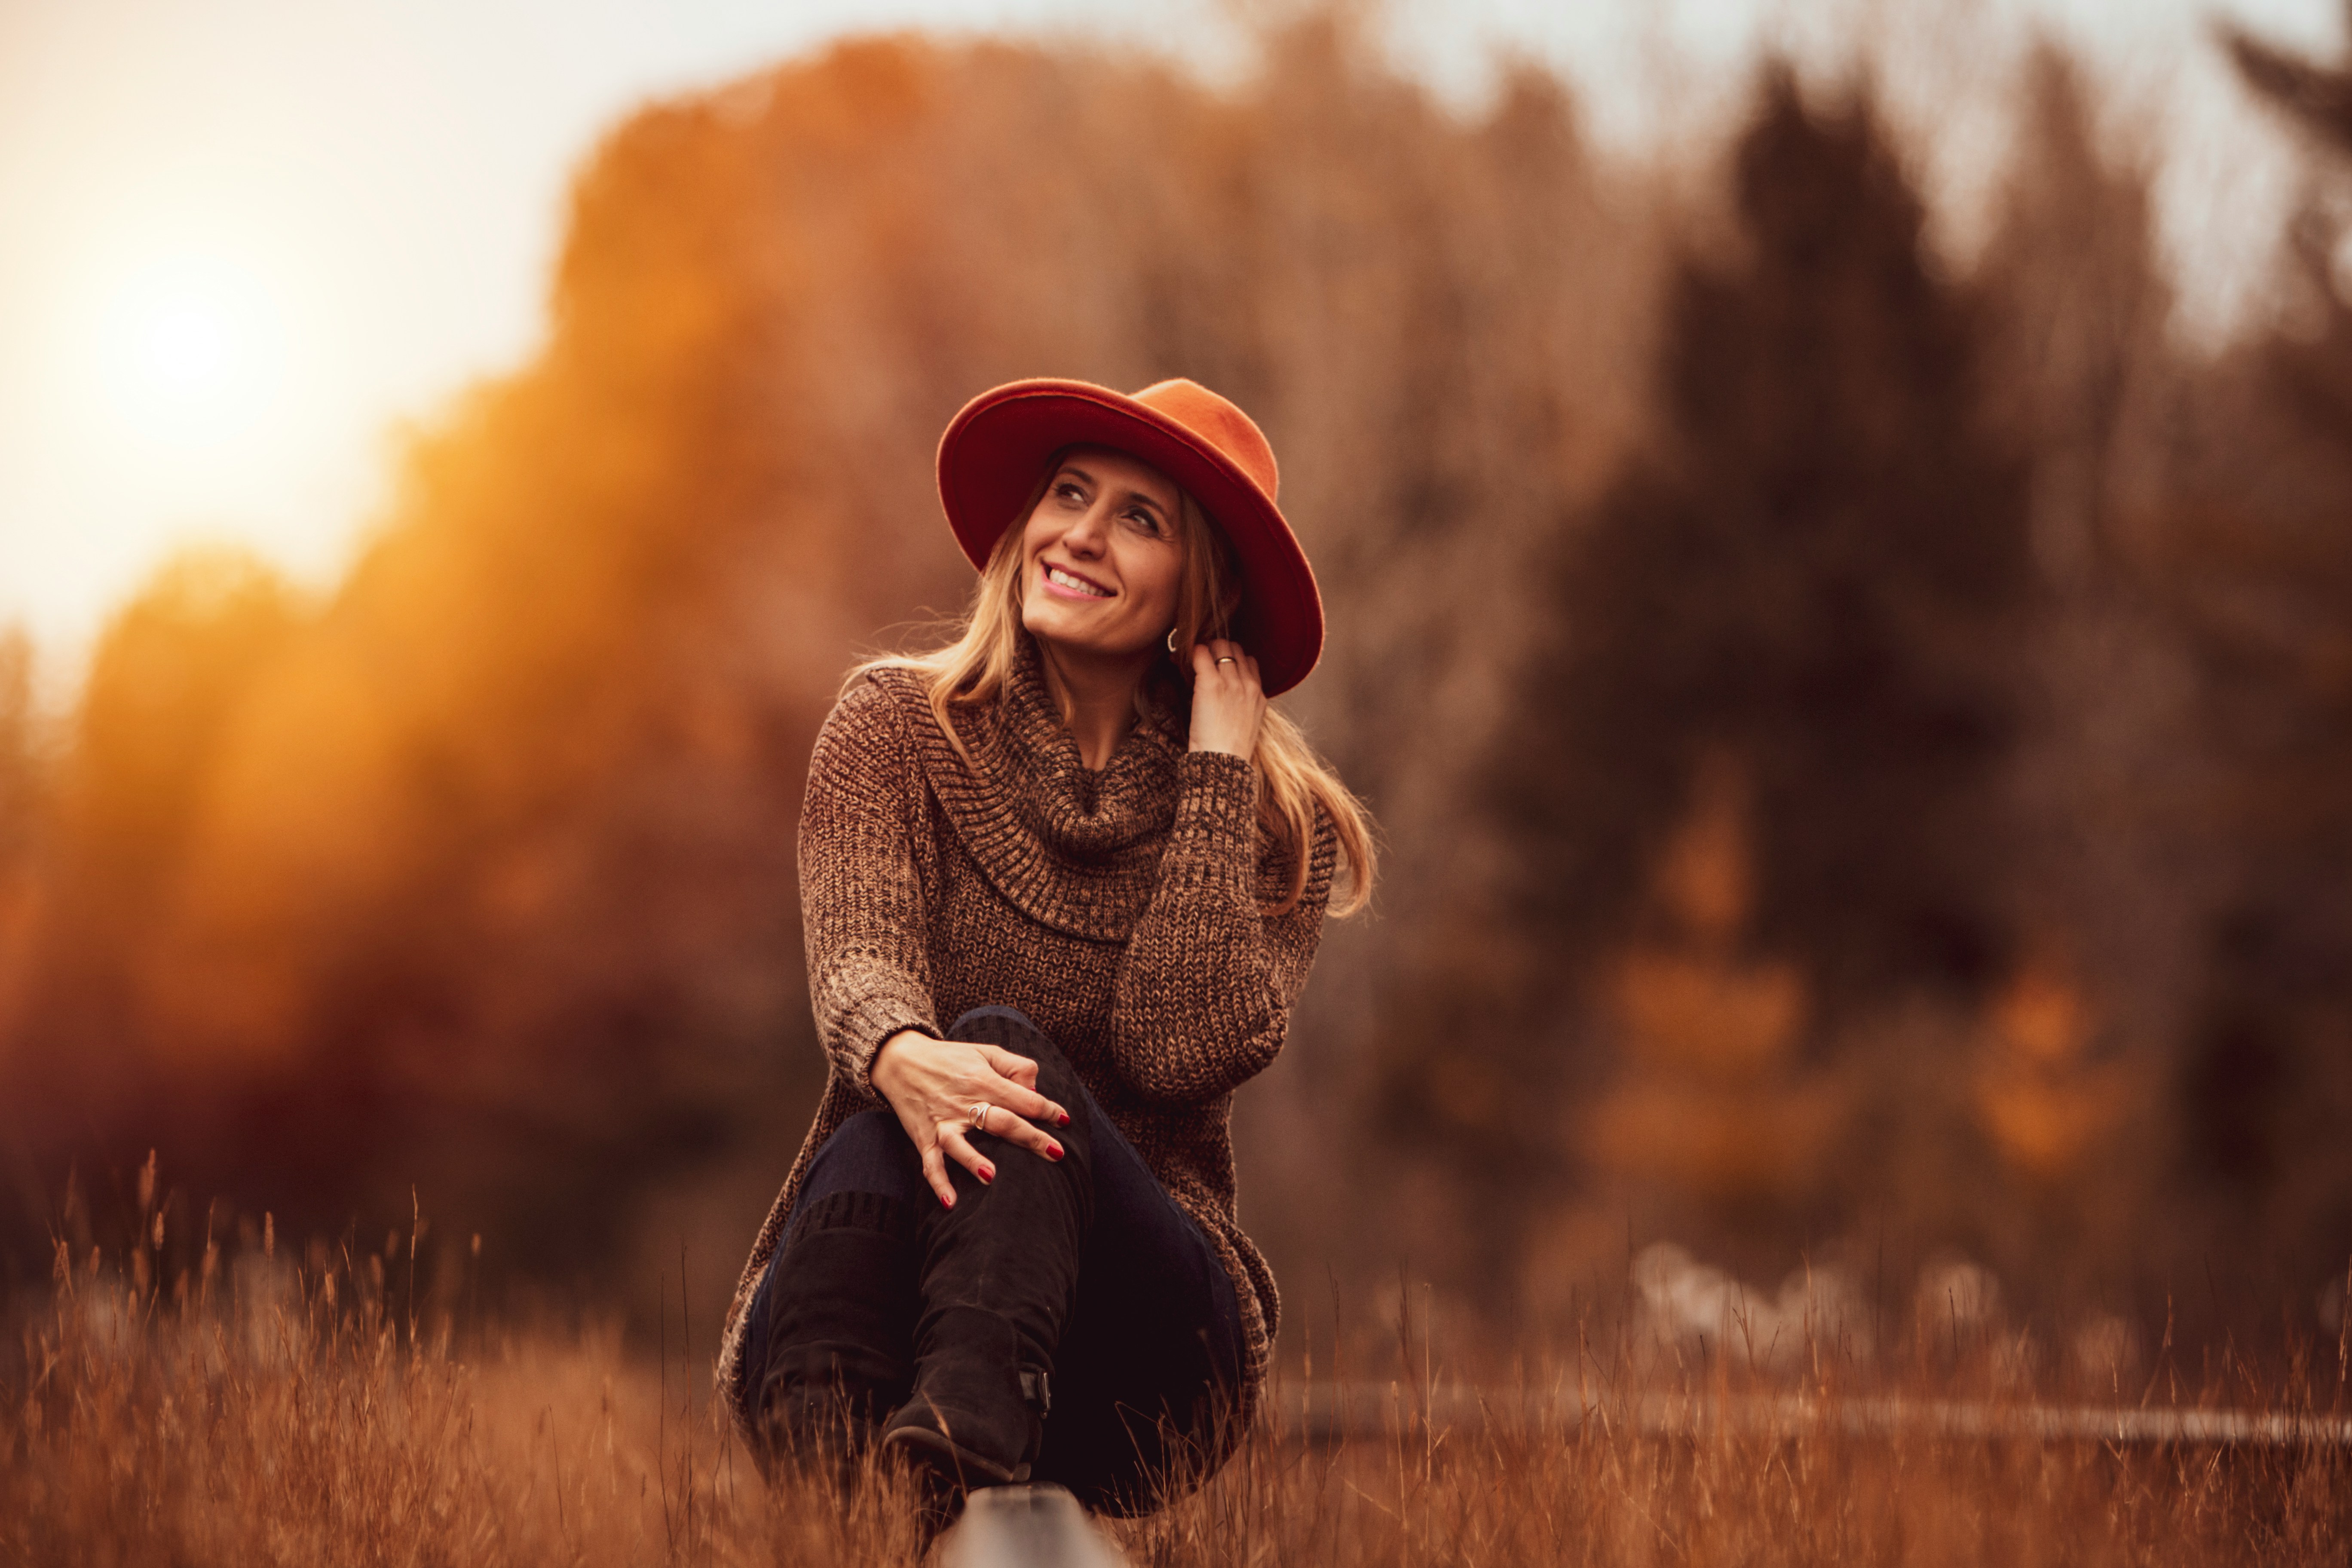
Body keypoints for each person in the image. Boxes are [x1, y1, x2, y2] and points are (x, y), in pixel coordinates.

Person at [713, 376, 1375, 1517]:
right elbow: (859, 954)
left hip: (1142, 1358)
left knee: (999, 1053)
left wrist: (1216, 777)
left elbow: (1175, 1046)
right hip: (884, 1293)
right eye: (1070, 493)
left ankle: (964, 1438)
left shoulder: (1279, 826)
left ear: (1199, 585)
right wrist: (897, 1054)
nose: (1080, 531)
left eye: (1139, 517)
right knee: (890, 1127)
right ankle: (825, 1481)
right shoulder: (890, 728)